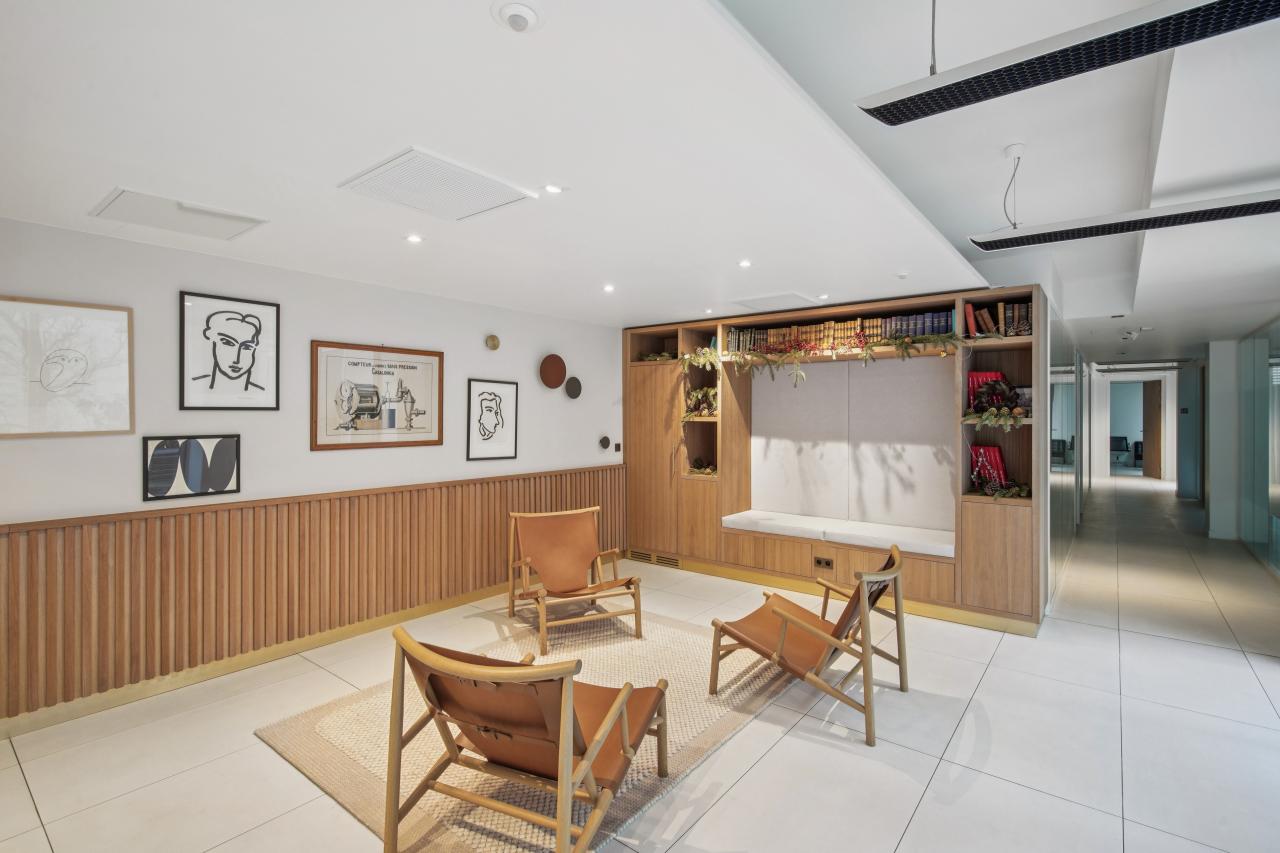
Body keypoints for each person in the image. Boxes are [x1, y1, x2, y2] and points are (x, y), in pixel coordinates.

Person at [192, 311, 263, 391]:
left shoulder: (261, 392)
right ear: (213, 340)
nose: (237, 360)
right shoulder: (194, 386)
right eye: (227, 343)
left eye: (247, 347)